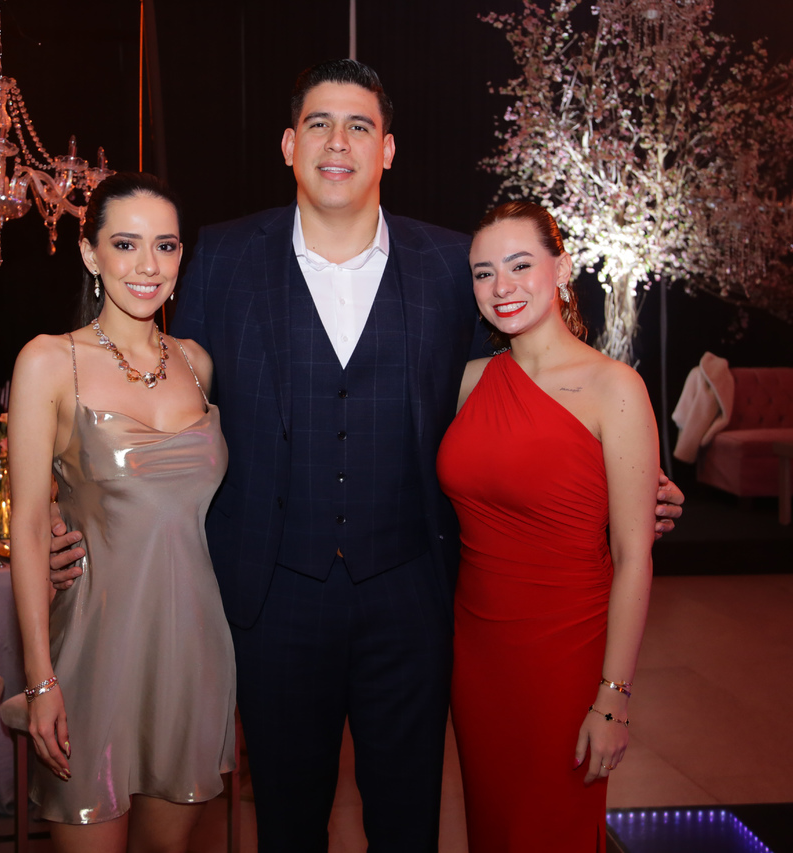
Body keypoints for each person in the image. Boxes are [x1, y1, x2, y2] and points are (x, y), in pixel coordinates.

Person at [46, 60, 684, 852]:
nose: (338, 142)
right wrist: (65, 502)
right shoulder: (223, 258)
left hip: (413, 599)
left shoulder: (451, 265)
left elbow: (522, 389)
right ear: (289, 145)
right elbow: (158, 397)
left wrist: (615, 472)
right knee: (287, 827)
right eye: (318, 124)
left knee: (408, 825)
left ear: (387, 149)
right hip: (271, 599)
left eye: (359, 126)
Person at [8, 172, 236, 853]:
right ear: (90, 253)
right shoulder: (49, 362)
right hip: (93, 651)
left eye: (165, 246)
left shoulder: (196, 364)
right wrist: (39, 680)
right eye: (126, 244)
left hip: (194, 651)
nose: (148, 266)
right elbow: (28, 525)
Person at [437, 203, 656, 850]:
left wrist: (613, 697)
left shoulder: (613, 386)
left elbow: (634, 554)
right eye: (484, 272)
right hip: (476, 657)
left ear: (561, 269)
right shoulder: (467, 382)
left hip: (565, 656)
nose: (501, 286)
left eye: (519, 265)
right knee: (494, 827)